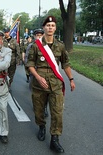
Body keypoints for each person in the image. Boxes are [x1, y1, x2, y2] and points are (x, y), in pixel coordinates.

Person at [26, 16, 76, 153]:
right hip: (39, 83)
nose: (50, 28)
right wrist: (37, 77)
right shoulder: (36, 46)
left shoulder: (60, 45)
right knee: (39, 109)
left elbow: (65, 63)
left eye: (53, 25)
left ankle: (55, 139)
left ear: (55, 28)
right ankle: (41, 127)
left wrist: (71, 79)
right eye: (48, 25)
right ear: (43, 28)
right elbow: (29, 64)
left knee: (57, 112)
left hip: (56, 83)